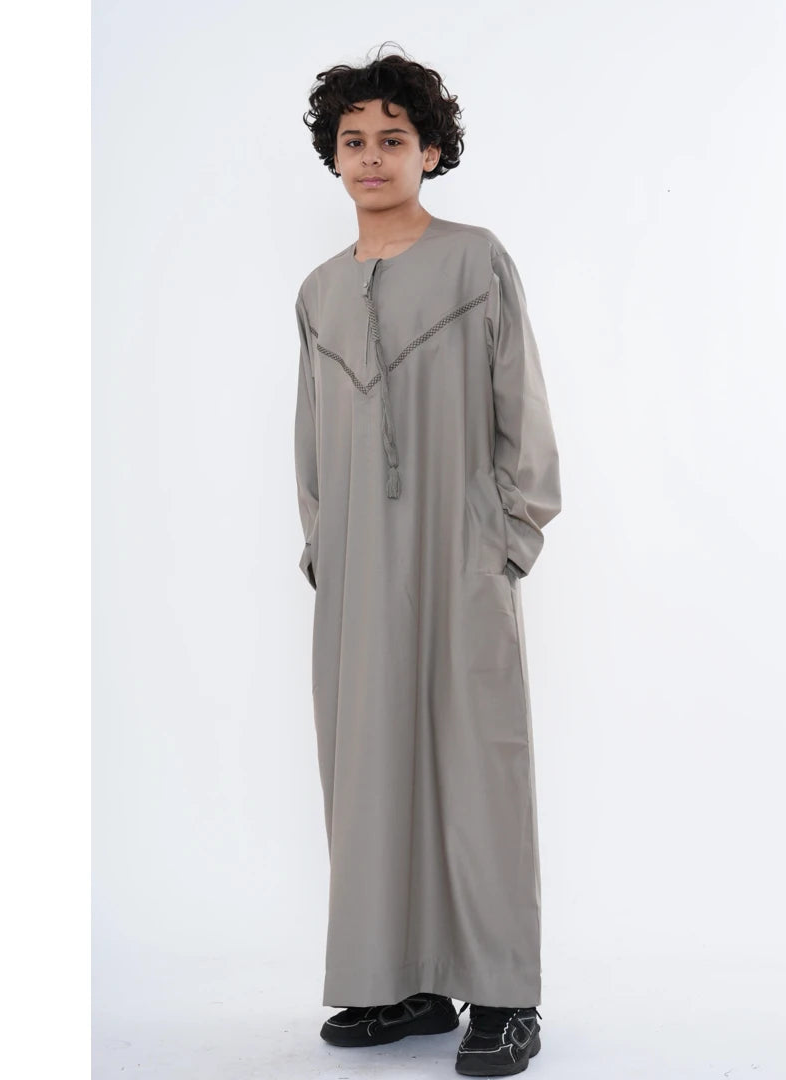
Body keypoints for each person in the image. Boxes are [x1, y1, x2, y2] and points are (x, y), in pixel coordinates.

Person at [293, 44, 561, 1077]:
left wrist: (507, 537)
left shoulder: (474, 260)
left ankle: (504, 996)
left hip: (461, 555)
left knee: (479, 768)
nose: (371, 156)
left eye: (392, 139)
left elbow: (521, 409)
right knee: (368, 770)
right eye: (353, 140)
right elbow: (311, 442)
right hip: (359, 574)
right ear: (334, 156)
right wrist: (326, 551)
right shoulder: (319, 291)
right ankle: (401, 983)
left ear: (431, 152)